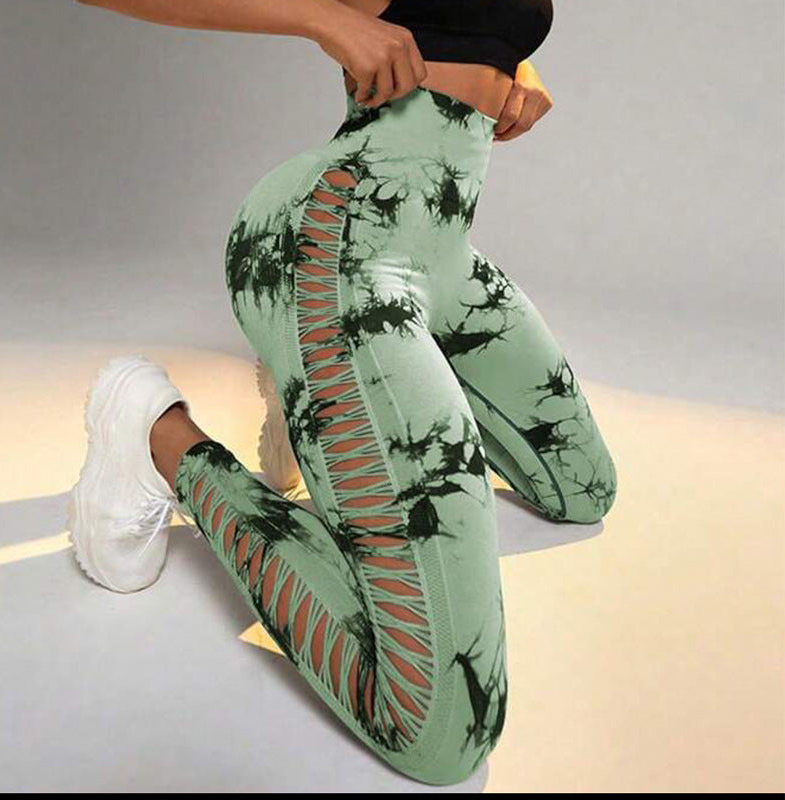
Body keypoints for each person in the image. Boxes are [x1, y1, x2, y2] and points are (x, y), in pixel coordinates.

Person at [68, 0, 617, 785]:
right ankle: (158, 433)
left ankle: (323, 391)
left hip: (436, 248)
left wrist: (510, 62)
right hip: (336, 247)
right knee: (439, 731)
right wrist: (322, 17)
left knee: (584, 488)